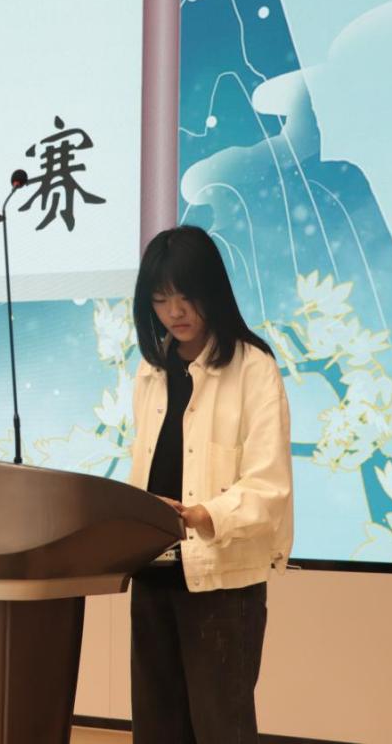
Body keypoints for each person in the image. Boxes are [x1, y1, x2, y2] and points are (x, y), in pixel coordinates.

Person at [127, 225, 294, 743]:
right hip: (154, 572)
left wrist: (205, 515)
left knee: (223, 728)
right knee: (156, 727)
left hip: (221, 580)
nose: (174, 312)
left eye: (185, 296)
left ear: (212, 292)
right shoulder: (150, 372)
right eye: (161, 300)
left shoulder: (254, 368)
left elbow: (269, 486)